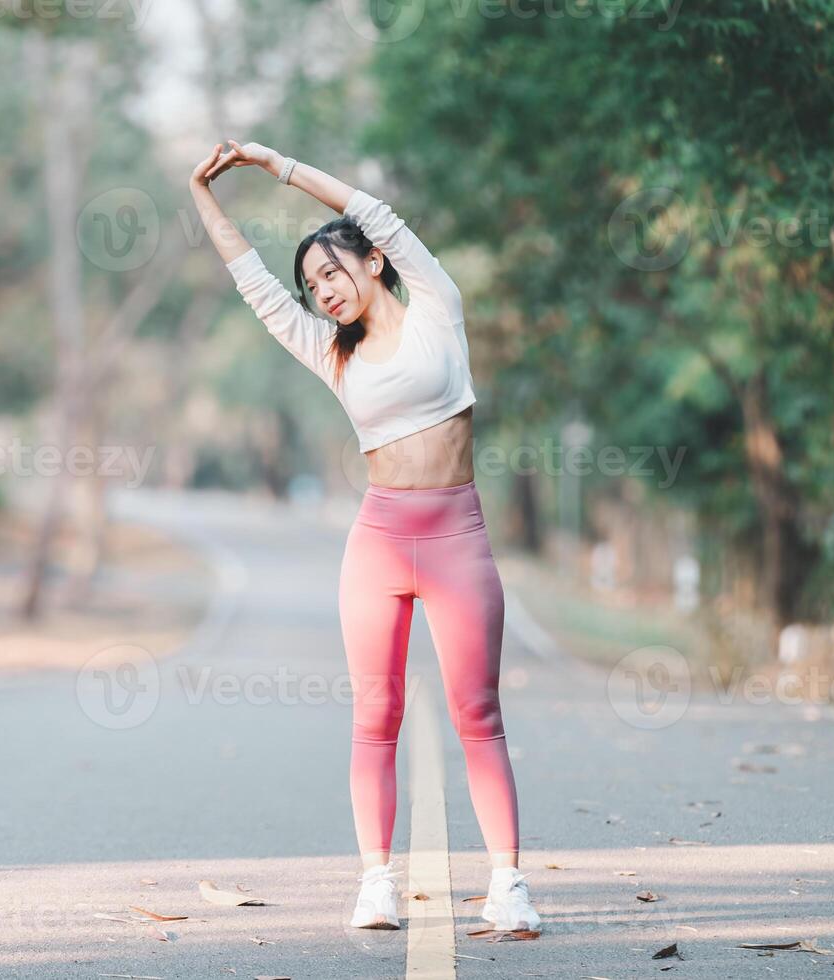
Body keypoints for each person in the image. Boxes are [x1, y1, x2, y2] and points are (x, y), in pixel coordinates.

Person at [187, 141, 541, 933]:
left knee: (476, 711)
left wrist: (274, 166)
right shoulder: (328, 353)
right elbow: (253, 284)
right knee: (373, 715)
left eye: (331, 274)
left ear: (374, 262)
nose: (320, 294)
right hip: (379, 542)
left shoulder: (436, 308)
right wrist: (204, 196)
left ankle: (509, 882)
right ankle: (376, 880)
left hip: (457, 534)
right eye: (311, 287)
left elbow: (373, 210)